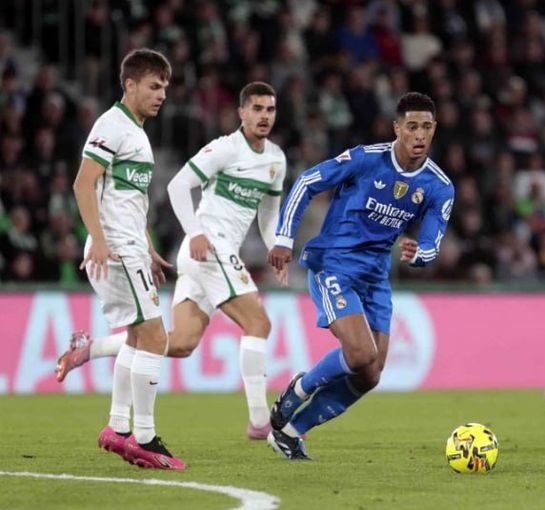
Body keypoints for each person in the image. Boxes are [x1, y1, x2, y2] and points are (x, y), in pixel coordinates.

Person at [56, 81, 287, 439]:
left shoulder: (276, 160)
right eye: (256, 108)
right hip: (208, 247)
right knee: (258, 322)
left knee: (178, 343)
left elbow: (268, 214)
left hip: (213, 255)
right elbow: (178, 185)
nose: (264, 116)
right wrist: (195, 232)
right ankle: (260, 423)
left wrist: (275, 246)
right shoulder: (225, 149)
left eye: (270, 109)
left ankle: (91, 349)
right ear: (241, 112)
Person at [266, 92, 455, 460]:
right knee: (360, 352)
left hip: (375, 276)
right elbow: (307, 182)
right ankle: (300, 389)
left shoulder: (439, 185)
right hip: (334, 264)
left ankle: (291, 432)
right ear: (397, 128)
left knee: (371, 374)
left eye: (426, 127)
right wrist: (285, 239)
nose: (419, 134)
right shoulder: (366, 159)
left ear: (434, 129)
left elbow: (432, 242)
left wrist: (419, 255)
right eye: (412, 126)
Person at [72, 48, 184, 469]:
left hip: (131, 245)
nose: (162, 95)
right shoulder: (112, 124)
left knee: (138, 338)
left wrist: (148, 246)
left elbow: (128, 201)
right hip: (116, 248)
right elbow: (83, 184)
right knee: (156, 338)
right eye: (154, 86)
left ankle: (118, 428)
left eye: (165, 88)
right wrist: (99, 241)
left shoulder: (136, 132)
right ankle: (145, 437)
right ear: (130, 85)